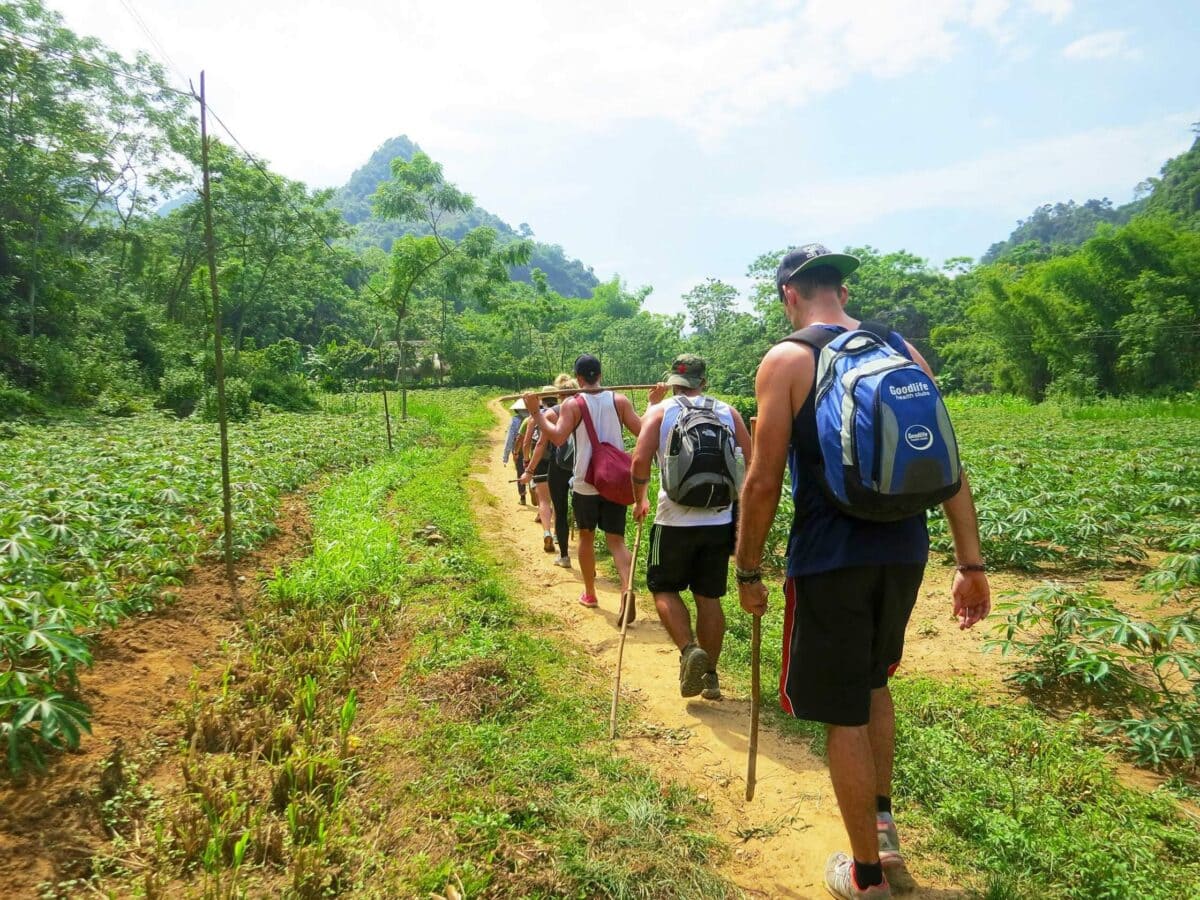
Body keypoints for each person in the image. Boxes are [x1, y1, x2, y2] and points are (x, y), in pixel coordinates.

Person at [733, 244, 991, 900]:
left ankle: (868, 877)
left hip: (830, 556)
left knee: (842, 712)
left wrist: (748, 568)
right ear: (842, 290)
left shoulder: (789, 359)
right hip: (905, 548)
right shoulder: (901, 350)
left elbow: (762, 481)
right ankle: (884, 834)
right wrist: (970, 563)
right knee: (874, 685)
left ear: (788, 295)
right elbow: (948, 461)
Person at [632, 354, 752, 700]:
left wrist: (639, 498)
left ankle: (688, 651)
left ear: (672, 381)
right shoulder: (729, 412)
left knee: (664, 589)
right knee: (709, 597)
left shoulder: (660, 411)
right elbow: (752, 457)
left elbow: (639, 460)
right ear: (705, 382)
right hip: (719, 518)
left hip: (672, 519)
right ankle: (711, 676)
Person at [523, 354, 642, 617]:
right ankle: (626, 588)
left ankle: (590, 593)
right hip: (615, 481)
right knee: (617, 541)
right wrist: (654, 404)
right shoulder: (619, 400)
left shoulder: (573, 404)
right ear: (600, 374)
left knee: (586, 536)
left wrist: (535, 412)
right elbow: (642, 432)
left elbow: (557, 437)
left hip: (585, 483)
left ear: (578, 379)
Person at [519, 388, 560, 554]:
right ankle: (558, 534)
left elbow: (526, 443)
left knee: (543, 500)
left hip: (540, 461)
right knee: (558, 500)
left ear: (541, 400)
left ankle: (546, 532)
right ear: (556, 399)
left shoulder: (533, 418)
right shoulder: (560, 415)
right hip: (558, 461)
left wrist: (527, 462)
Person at [502, 399, 530, 505]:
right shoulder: (536, 418)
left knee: (520, 471)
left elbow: (510, 438)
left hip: (519, 450)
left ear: (517, 410)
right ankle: (534, 492)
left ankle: (522, 497)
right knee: (534, 471)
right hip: (533, 449)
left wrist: (506, 456)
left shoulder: (515, 420)